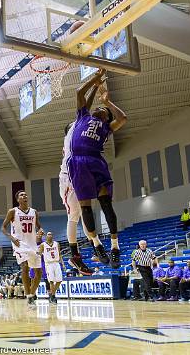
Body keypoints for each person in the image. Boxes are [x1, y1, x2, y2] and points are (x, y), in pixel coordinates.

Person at [68, 69, 127, 269]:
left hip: (95, 160)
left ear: (106, 115)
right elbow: (79, 93)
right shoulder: (83, 116)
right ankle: (96, 244)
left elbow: (123, 118)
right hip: (77, 162)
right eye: (98, 106)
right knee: (85, 207)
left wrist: (108, 101)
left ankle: (115, 247)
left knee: (106, 204)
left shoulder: (107, 127)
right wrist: (95, 81)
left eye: (103, 109)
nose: (98, 108)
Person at [59, 79, 102, 275]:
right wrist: (94, 86)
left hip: (79, 173)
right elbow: (85, 106)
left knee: (86, 212)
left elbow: (85, 107)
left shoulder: (77, 133)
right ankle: (75, 256)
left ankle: (96, 243)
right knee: (74, 215)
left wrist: (94, 88)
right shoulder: (72, 133)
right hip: (68, 177)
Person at [1, 190, 44, 307]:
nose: (24, 196)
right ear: (18, 199)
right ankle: (29, 296)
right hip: (19, 243)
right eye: (21, 195)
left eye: (25, 195)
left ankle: (32, 293)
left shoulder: (34, 212)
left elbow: (39, 227)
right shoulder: (13, 211)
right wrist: (11, 238)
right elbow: (3, 228)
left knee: (39, 272)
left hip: (32, 244)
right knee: (24, 266)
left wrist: (40, 232)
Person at [38, 232, 66, 304]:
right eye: (48, 234)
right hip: (49, 264)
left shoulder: (57, 244)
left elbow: (59, 254)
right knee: (51, 281)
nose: (50, 235)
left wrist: (63, 264)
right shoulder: (42, 245)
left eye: (51, 234)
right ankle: (53, 296)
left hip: (56, 263)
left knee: (59, 281)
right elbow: (39, 254)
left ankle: (52, 294)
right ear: (46, 236)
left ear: (52, 236)